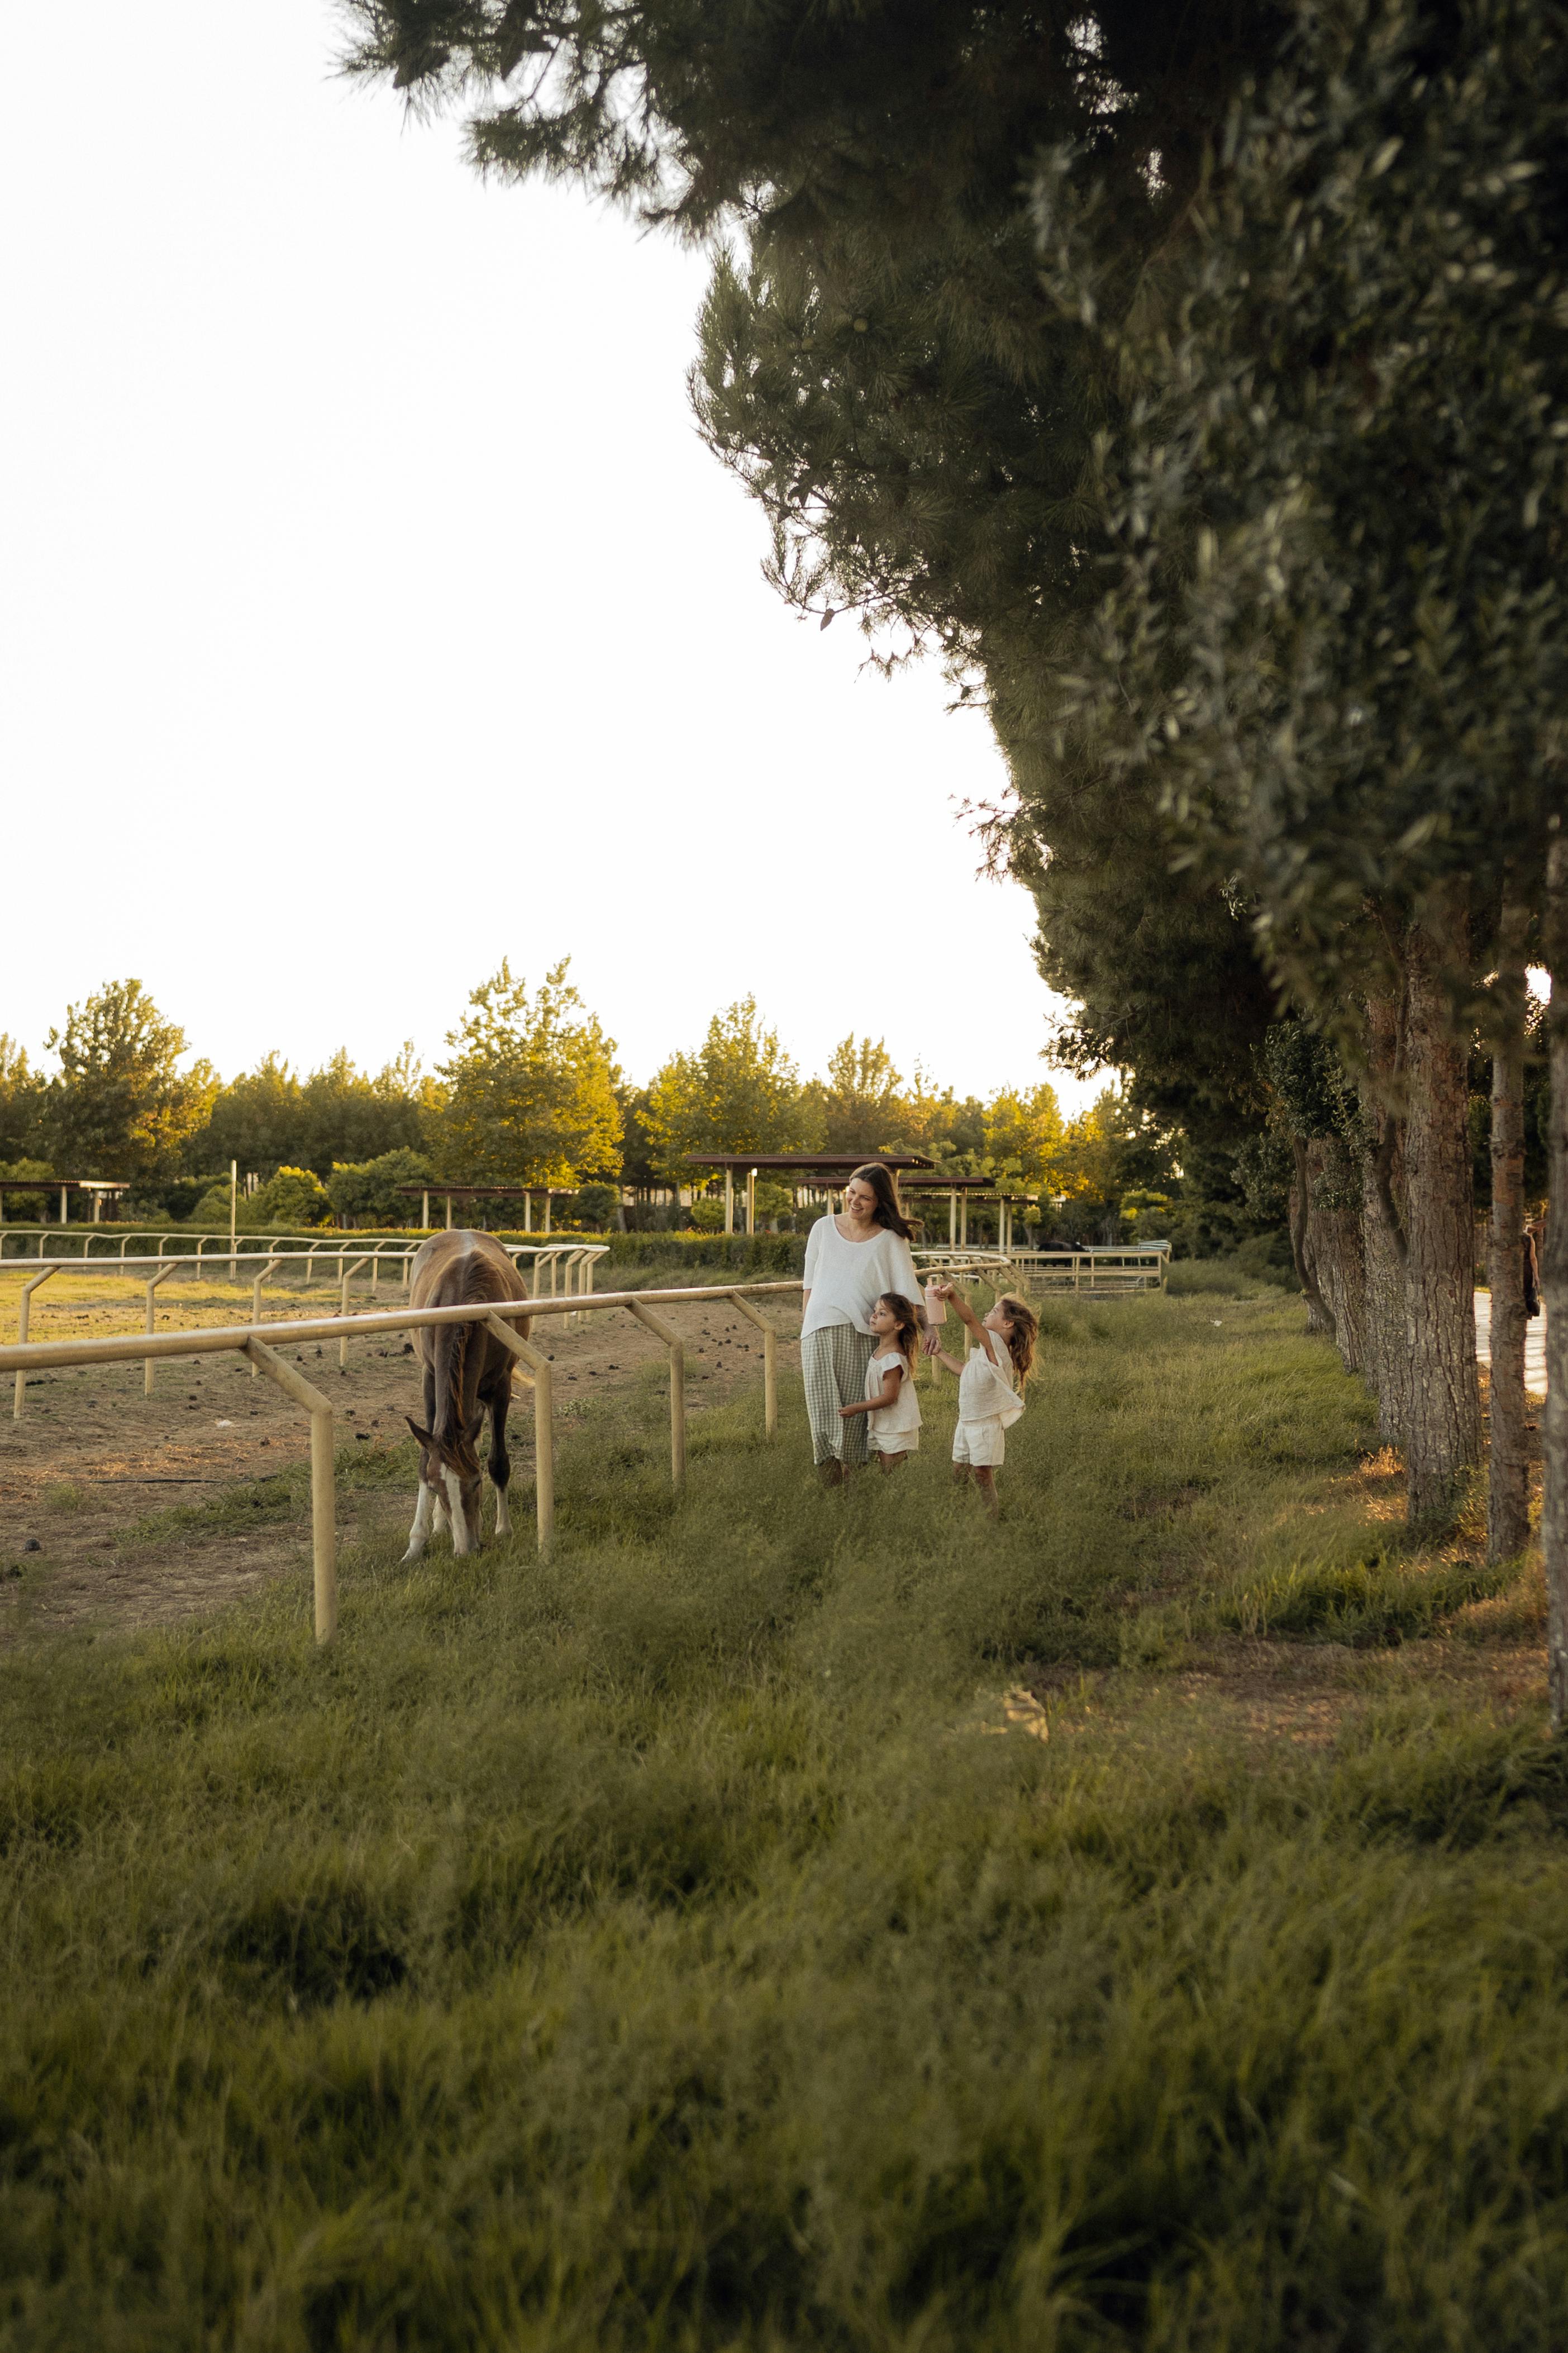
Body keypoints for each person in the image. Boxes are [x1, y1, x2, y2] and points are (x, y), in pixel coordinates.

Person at [801, 1164, 926, 1484]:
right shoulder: (822, 1228)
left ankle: (856, 1490)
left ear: (880, 1202)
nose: (855, 1202)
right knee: (822, 1417)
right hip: (817, 1332)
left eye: (865, 1198)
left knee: (856, 1417)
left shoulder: (890, 1240)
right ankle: (829, 1492)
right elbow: (809, 1286)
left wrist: (931, 1329)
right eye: (851, 1193)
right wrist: (805, 1331)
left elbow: (908, 1292)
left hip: (859, 1334)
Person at [928, 1284, 1037, 1517]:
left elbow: (970, 1321)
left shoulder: (997, 1346)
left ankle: (991, 1518)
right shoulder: (986, 1352)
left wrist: (953, 1297)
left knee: (982, 1475)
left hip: (985, 1426)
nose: (988, 1314)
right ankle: (957, 1512)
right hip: (967, 1422)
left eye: (994, 1311)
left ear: (1008, 1324)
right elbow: (963, 1370)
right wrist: (939, 1352)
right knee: (959, 1471)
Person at [837, 1292, 923, 1471]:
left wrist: (856, 1408)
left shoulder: (892, 1359)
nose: (874, 1316)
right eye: (875, 1311)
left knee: (891, 1474)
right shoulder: (880, 1350)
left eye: (882, 1314)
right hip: (884, 1423)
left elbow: (889, 1397)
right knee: (884, 1472)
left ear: (898, 1324)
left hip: (896, 1426)